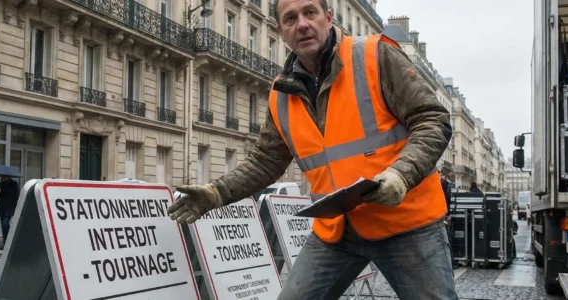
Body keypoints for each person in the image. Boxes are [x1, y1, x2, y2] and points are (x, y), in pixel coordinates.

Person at [168, 0, 456, 298]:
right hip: (337, 228)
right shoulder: (281, 93)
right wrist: (217, 193)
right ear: (281, 31)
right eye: (290, 18)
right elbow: (265, 161)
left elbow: (432, 119)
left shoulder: (375, 55)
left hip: (406, 221)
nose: (302, 24)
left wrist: (401, 175)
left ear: (329, 18)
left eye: (310, 13)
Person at [0, 176, 19, 250]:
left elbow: (17, 196)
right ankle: (6, 244)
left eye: (3, 177)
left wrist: (16, 208)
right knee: (3, 226)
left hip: (10, 207)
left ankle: (10, 241)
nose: (1, 178)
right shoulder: (1, 184)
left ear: (8, 177)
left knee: (5, 224)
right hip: (2, 207)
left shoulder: (14, 184)